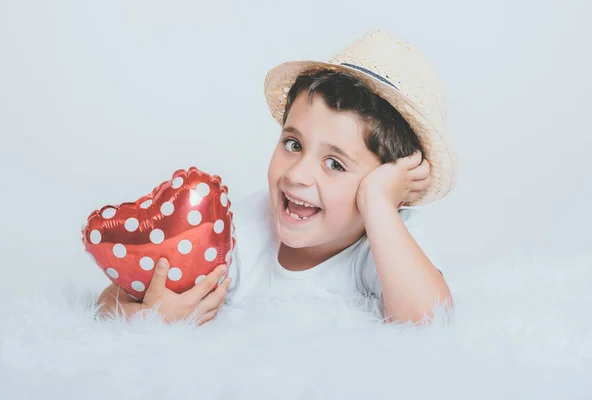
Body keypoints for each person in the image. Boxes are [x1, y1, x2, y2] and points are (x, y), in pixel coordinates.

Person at [96, 30, 458, 325]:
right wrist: (149, 316)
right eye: (293, 143)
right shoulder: (239, 234)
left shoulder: (388, 238)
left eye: (335, 164)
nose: (297, 174)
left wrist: (379, 205)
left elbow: (429, 322)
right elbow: (112, 299)